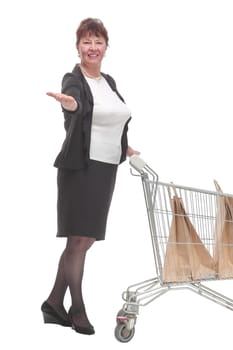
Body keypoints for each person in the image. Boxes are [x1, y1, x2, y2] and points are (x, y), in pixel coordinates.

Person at [41, 18, 139, 336]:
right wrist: (71, 105)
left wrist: (125, 148)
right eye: (87, 41)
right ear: (78, 47)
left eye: (98, 42)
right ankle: (77, 308)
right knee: (78, 240)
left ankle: (54, 302)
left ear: (106, 48)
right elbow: (75, 103)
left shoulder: (108, 81)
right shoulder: (74, 78)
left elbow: (116, 119)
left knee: (85, 239)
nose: (92, 47)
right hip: (80, 169)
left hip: (105, 169)